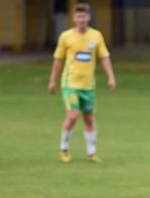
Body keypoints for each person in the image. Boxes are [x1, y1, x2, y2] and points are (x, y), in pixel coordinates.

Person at [48, 2, 116, 164]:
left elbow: (104, 58)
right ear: (74, 18)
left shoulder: (96, 36)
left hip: (88, 86)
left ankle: (91, 153)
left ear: (89, 17)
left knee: (89, 119)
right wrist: (52, 81)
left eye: (84, 16)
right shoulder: (66, 37)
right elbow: (58, 60)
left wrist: (111, 77)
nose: (81, 19)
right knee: (72, 115)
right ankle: (64, 149)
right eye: (78, 16)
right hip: (70, 84)